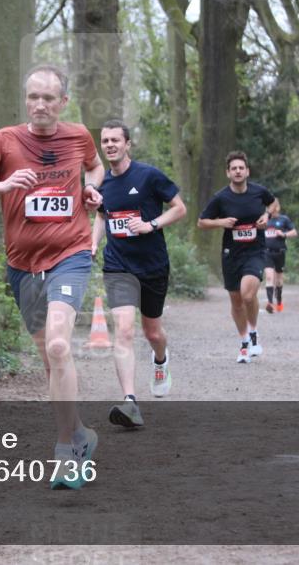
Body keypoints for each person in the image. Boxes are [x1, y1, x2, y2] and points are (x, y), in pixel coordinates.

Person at [0, 64, 104, 489]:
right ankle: (80, 432)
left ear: (63, 103)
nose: (39, 105)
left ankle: (66, 450)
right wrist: (1, 187)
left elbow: (94, 169)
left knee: (59, 344)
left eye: (48, 98)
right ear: (26, 99)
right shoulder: (4, 140)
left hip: (71, 254)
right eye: (33, 97)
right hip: (23, 265)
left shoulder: (79, 135)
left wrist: (93, 190)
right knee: (50, 357)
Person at [90, 120, 186, 428]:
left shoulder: (148, 176)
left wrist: (151, 224)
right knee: (125, 330)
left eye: (115, 140)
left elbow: (179, 208)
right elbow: (103, 216)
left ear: (128, 144)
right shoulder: (102, 182)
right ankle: (130, 401)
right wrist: (93, 242)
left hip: (152, 265)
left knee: (152, 333)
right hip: (118, 265)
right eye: (105, 141)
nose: (110, 145)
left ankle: (161, 360)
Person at [197, 151, 279, 364]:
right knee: (236, 300)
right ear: (228, 173)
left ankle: (253, 332)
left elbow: (274, 204)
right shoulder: (221, 198)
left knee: (248, 295)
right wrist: (220, 222)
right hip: (231, 254)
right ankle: (244, 342)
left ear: (247, 171)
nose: (238, 171)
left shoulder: (259, 192)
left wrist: (266, 216)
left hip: (255, 251)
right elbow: (202, 222)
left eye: (241, 168)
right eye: (233, 168)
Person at [264, 209, 297, 313]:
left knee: (278, 280)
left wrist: (284, 234)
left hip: (280, 252)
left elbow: (294, 232)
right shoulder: (264, 220)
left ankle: (279, 301)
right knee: (269, 277)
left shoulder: (284, 219)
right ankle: (270, 303)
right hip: (266, 252)